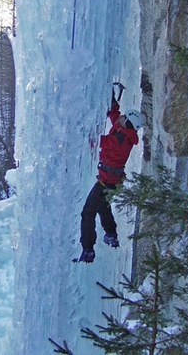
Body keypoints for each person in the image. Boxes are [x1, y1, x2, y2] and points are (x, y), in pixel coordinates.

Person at [78, 84, 144, 263]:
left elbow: (97, 142)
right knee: (102, 206)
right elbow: (116, 118)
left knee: (88, 212)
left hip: (107, 182)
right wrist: (113, 103)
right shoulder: (124, 130)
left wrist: (80, 130)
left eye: (123, 117)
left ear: (127, 122)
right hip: (112, 181)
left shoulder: (121, 141)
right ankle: (111, 234)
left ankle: (88, 249)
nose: (121, 117)